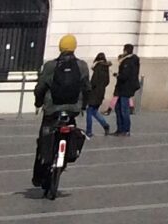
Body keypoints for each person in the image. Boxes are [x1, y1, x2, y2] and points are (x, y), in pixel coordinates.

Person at [31, 33, 91, 197]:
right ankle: (64, 161)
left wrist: (38, 103)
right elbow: (87, 88)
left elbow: (41, 87)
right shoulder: (82, 66)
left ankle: (39, 175)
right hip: (72, 109)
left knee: (43, 139)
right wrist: (83, 106)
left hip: (52, 109)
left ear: (60, 47)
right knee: (71, 132)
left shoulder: (50, 66)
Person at [113, 45, 140, 137]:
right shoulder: (131, 60)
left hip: (125, 88)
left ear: (125, 51)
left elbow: (125, 76)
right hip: (123, 88)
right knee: (118, 108)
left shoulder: (128, 61)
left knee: (124, 110)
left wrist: (118, 75)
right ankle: (120, 129)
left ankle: (125, 130)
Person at [83, 52, 112, 134]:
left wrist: (88, 88)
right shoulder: (106, 68)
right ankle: (105, 125)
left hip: (94, 93)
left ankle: (89, 131)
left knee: (89, 111)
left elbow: (93, 82)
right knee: (94, 111)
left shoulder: (98, 67)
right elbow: (107, 82)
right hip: (101, 92)